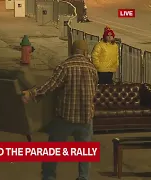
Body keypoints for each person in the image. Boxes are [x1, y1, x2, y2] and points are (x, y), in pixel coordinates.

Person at [22, 40, 98, 180]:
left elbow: (50, 86)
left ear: (72, 51)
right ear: (85, 53)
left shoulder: (65, 67)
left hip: (65, 119)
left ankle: (49, 177)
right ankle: (83, 177)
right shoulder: (92, 68)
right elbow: (94, 93)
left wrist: (31, 93)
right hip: (86, 119)